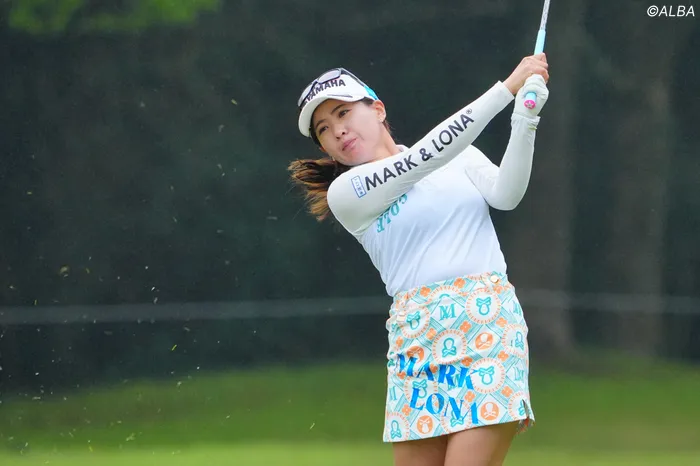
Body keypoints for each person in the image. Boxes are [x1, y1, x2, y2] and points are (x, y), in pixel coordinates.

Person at [288, 55, 550, 466]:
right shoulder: (347, 193)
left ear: (378, 109)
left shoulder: (459, 154)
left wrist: (525, 118)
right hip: (416, 340)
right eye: (323, 128)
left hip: (487, 326)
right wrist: (507, 88)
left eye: (343, 113)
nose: (337, 130)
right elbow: (423, 158)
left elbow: (506, 195)